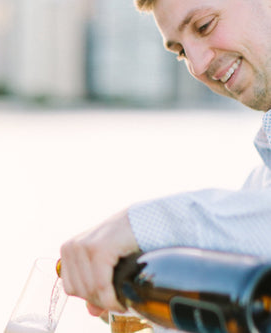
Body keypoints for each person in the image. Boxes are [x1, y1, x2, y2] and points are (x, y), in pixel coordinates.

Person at [59, 0, 271, 325]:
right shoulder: (260, 183)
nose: (198, 66)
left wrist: (139, 225)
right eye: (182, 52)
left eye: (204, 26)